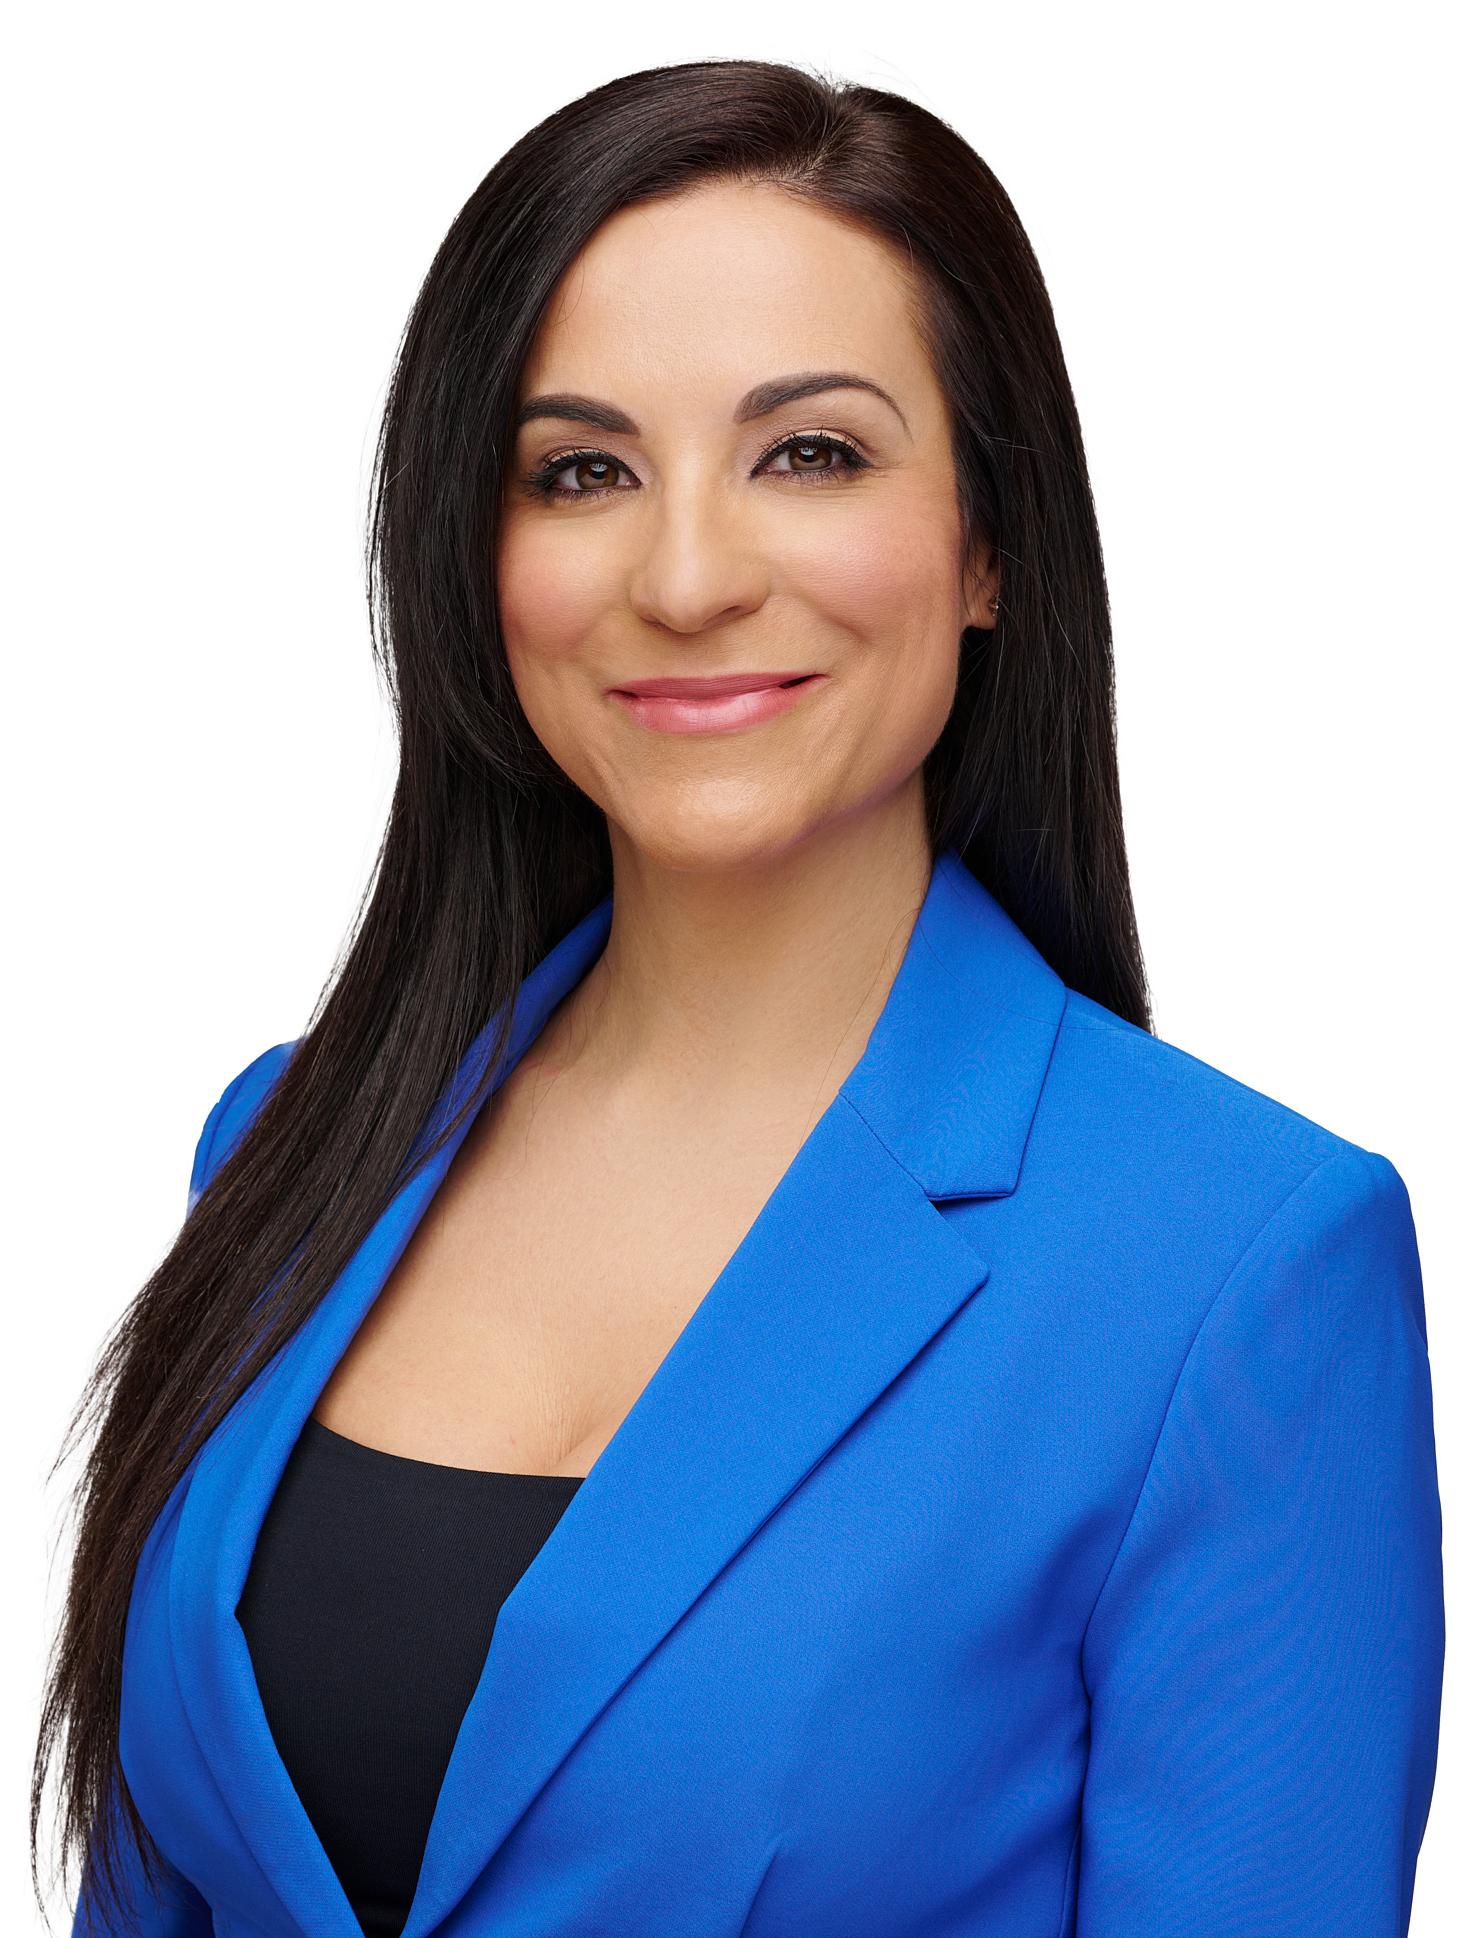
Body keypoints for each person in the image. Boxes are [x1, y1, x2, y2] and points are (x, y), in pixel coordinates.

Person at [39, 57, 1443, 1938]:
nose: (688, 574)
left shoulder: (1238, 1267)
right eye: (583, 471)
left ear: (991, 544)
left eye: (811, 454)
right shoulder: (289, 1145)